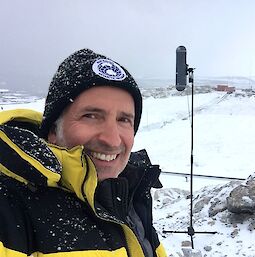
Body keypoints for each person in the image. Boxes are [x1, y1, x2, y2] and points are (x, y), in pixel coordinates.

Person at [0, 49, 167, 257]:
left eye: (124, 119)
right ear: (53, 130)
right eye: (91, 116)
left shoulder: (129, 197)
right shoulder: (10, 208)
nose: (113, 140)